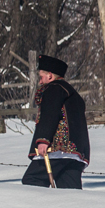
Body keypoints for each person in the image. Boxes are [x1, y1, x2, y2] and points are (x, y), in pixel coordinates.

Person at [23, 54, 90, 189]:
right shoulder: (73, 94)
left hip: (57, 150)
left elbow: (50, 114)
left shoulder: (53, 89)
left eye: (41, 77)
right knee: (70, 191)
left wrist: (43, 140)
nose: (40, 82)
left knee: (32, 180)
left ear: (50, 76)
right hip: (75, 155)